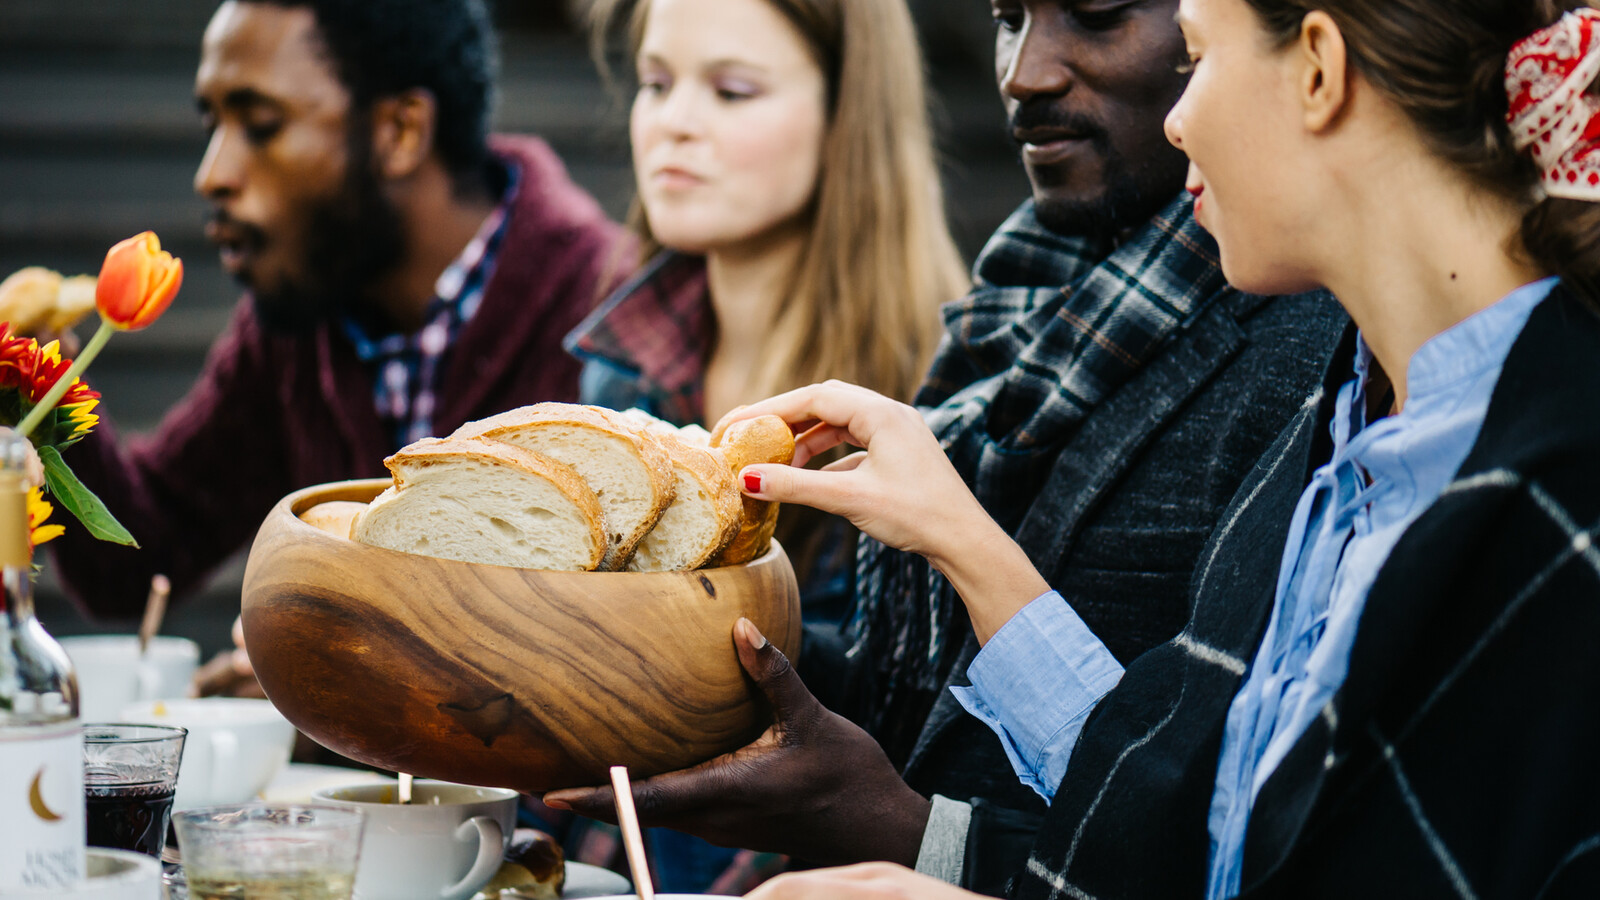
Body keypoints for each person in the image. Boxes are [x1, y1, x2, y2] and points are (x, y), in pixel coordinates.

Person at [633, 0, 1600, 896]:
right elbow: (1196, 828)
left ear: (1317, 67)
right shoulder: (1349, 414)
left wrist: (925, 850)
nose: (1183, 116)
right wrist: (956, 539)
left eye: (1200, 54)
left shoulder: (1555, 503)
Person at [542, 0, 1347, 889]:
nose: (1023, 70)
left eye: (1097, 13)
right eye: (1007, 16)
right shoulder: (1015, 308)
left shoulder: (1311, 356)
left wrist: (907, 828)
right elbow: (924, 698)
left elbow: (1209, 830)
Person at [45, 0, 625, 625]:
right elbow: (138, 559)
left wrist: (336, 664)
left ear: (400, 132)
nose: (211, 175)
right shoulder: (304, 313)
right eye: (213, 124)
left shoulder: (610, 315)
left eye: (260, 124)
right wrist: (35, 378)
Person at [565, 0, 968, 624]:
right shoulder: (622, 368)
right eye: (656, 83)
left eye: (732, 91)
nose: (675, 122)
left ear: (846, 114)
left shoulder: (945, 386)